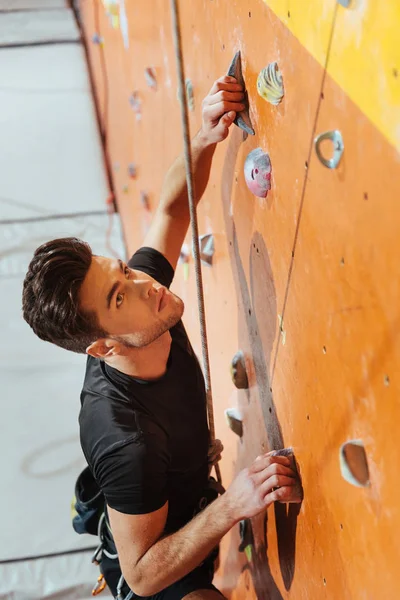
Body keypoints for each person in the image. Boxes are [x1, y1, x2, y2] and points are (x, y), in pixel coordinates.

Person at [22, 75, 301, 600]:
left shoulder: (141, 297)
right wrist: (233, 504)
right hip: (152, 554)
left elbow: (172, 211)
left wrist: (203, 136)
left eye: (122, 271)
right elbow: (144, 574)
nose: (144, 284)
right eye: (119, 297)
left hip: (183, 496)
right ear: (102, 347)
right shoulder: (126, 438)